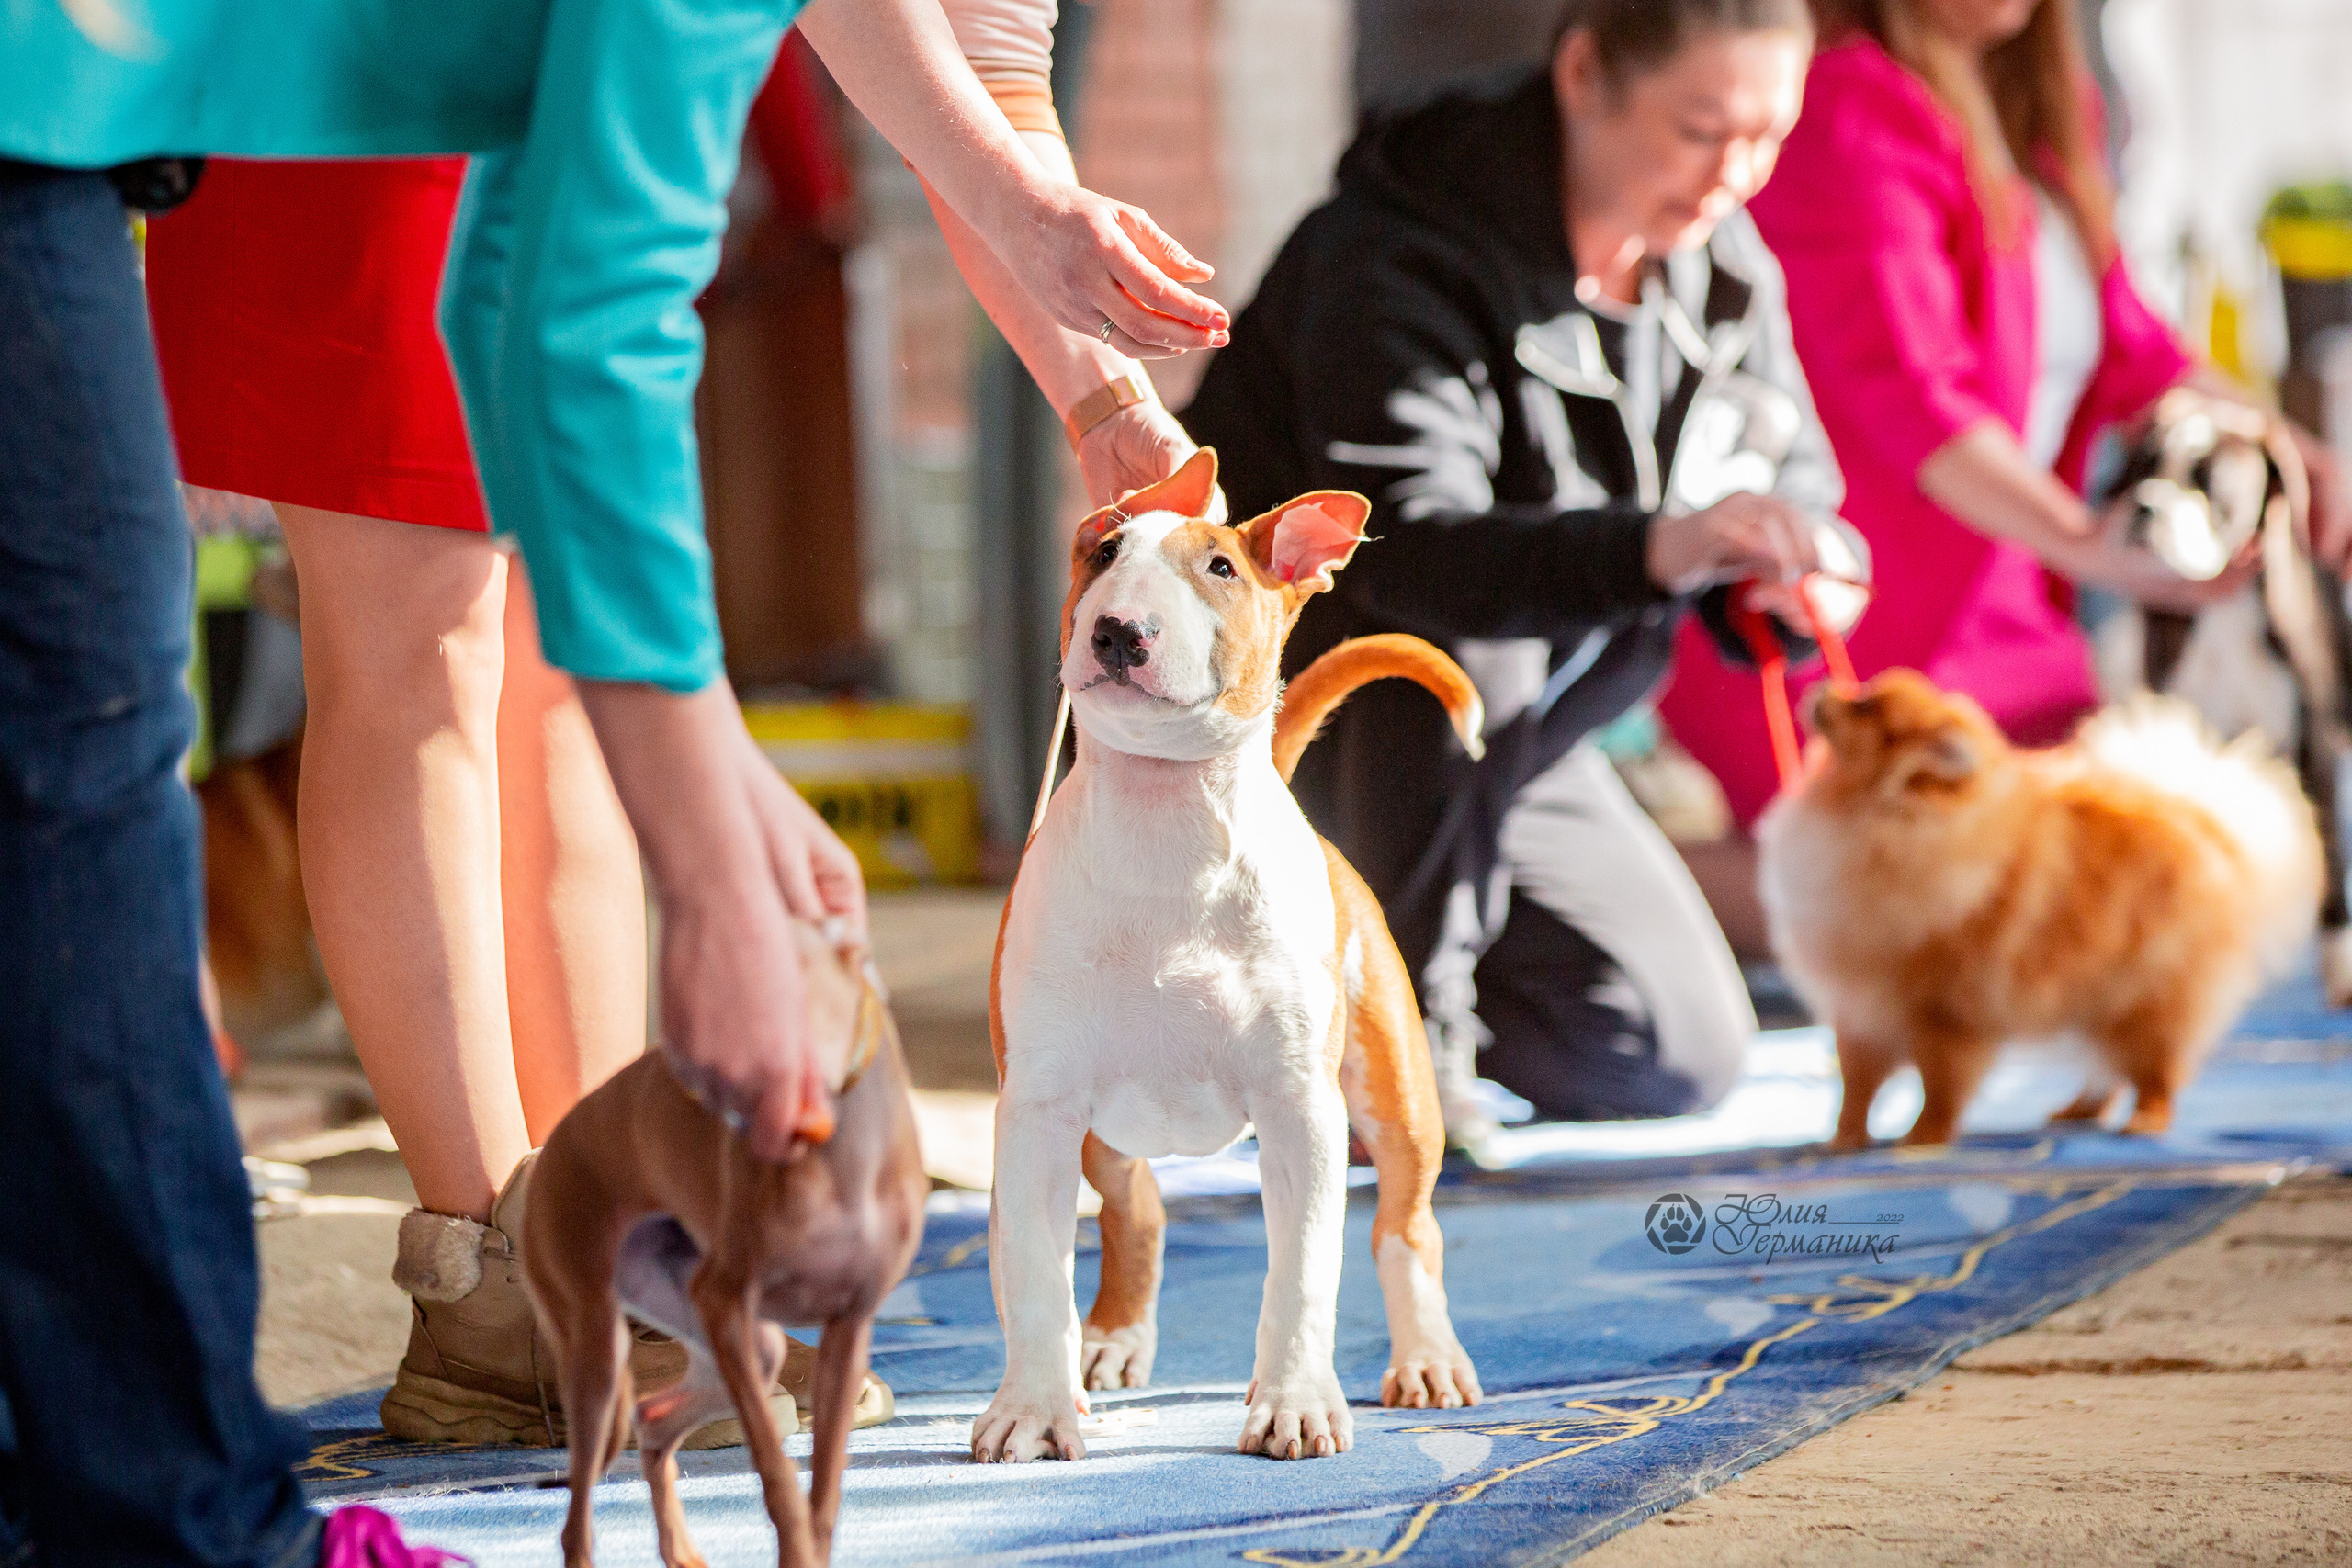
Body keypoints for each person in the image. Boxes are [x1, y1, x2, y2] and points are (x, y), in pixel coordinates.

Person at [0, 0, 1224, 1559]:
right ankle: (485, 1259)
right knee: (416, 627)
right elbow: (644, 297)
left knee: (559, 651)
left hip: (535, 86)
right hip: (317, 82)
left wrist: (1115, 408)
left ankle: (589, 1212)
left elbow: (985, 130)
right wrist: (713, 848)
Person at [1182, 0, 1860, 1135]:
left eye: (1768, 138)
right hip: (1304, 721)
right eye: (1702, 129)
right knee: (1460, 645)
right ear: (1585, 73)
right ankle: (1384, 1041)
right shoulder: (1396, 248)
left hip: (1515, 746)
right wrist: (1655, 546)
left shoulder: (1719, 268)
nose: (1735, 173)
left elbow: (1794, 481)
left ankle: (1321, 979)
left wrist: (1800, 574)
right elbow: (1406, 546)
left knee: (1669, 1053)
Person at [1657, 0, 2352, 948]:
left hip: (2009, 617)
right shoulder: (1842, 103)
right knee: (1970, 908)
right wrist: (2094, 546)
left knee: (2137, 884)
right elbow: (1910, 390)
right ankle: (1567, 889)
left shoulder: (2044, 98)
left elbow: (2133, 352)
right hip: (1858, 626)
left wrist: (2302, 466)